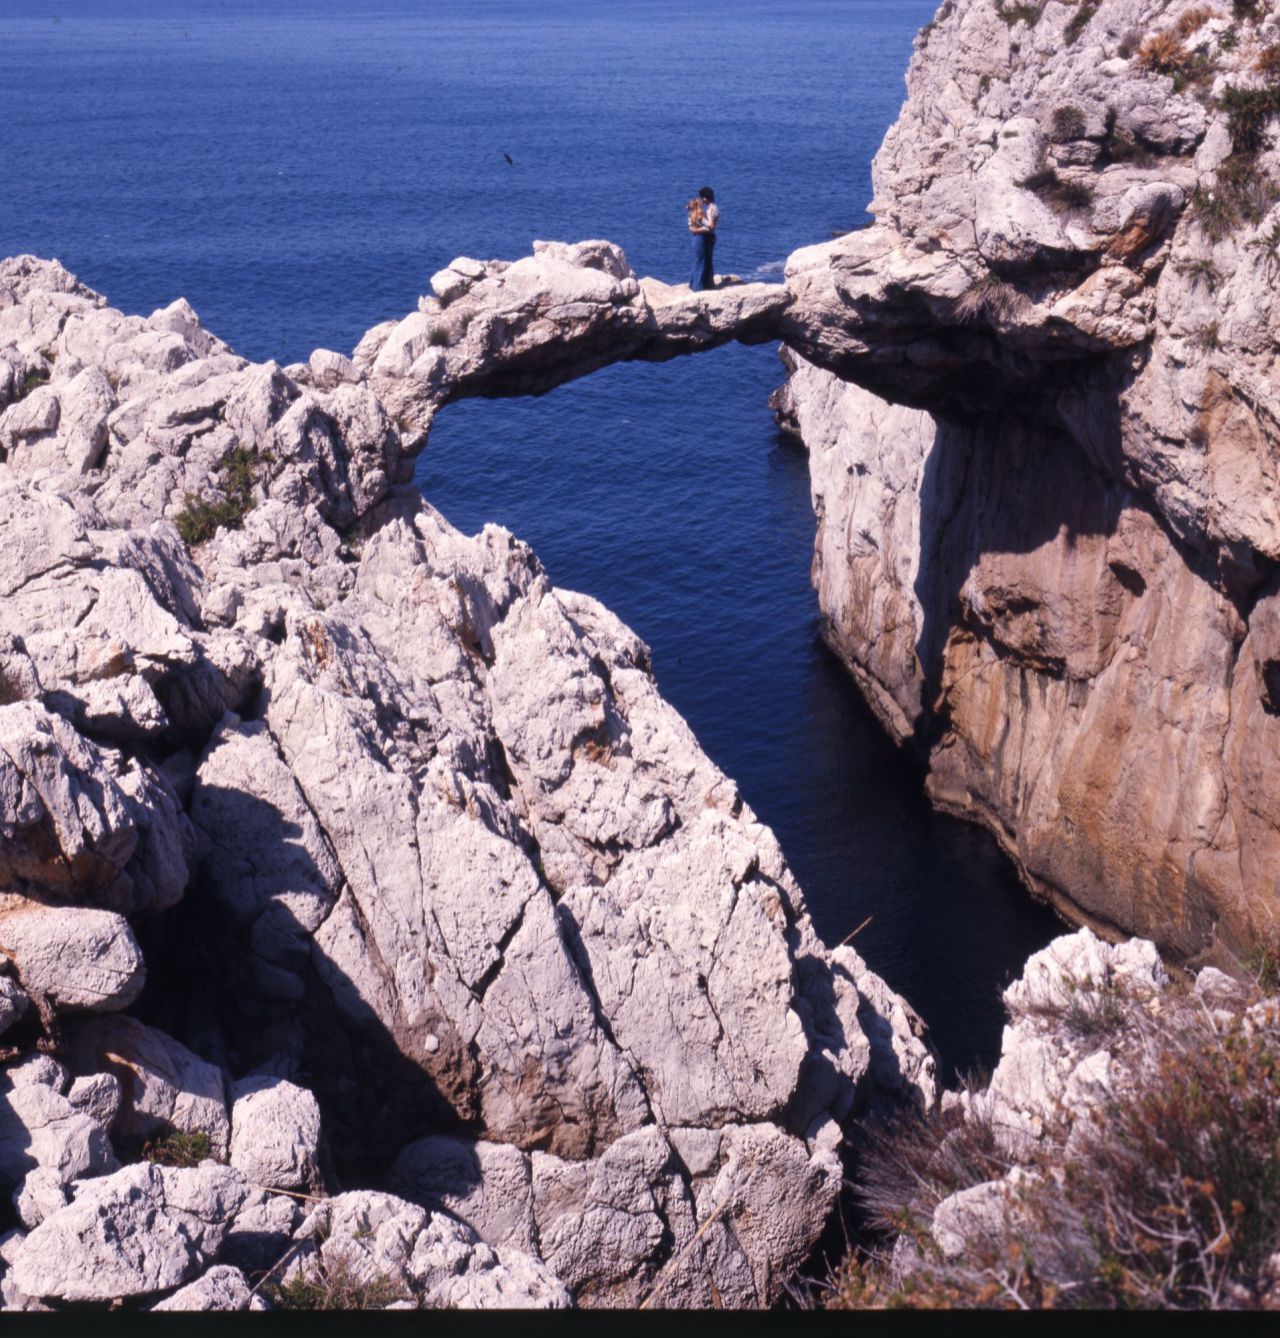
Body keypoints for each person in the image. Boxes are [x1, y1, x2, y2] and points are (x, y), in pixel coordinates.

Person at [688, 186, 719, 291]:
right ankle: (704, 285)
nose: (701, 199)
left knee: (702, 261)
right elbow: (710, 226)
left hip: (705, 237)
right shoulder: (708, 210)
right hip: (705, 237)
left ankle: (698, 284)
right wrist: (705, 226)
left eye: (702, 197)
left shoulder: (710, 209)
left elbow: (711, 225)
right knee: (704, 262)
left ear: (705, 198)